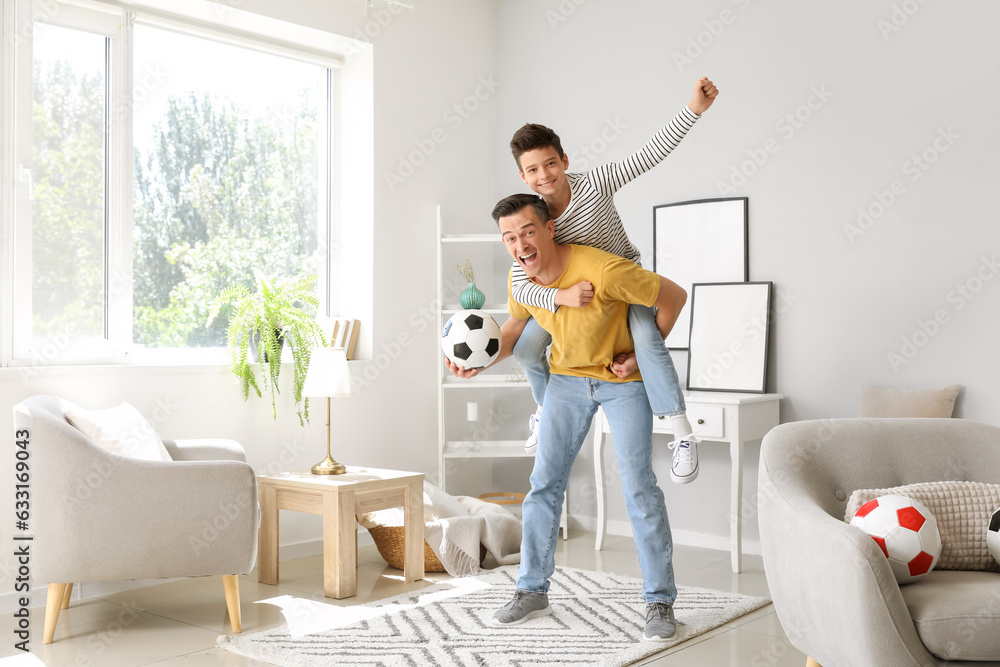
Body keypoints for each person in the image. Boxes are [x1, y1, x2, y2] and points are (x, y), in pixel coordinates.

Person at [445, 193, 687, 642]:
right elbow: (515, 330)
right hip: (566, 383)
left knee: (638, 487)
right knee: (543, 486)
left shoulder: (603, 269)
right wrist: (479, 363)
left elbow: (674, 296)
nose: (519, 244)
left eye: (527, 231)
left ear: (550, 228)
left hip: (622, 384)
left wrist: (637, 357)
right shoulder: (523, 280)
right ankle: (531, 590)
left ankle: (659, 601)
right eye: (509, 237)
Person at [507, 77, 719, 485]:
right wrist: (561, 296)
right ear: (523, 176)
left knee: (646, 338)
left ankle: (681, 431)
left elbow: (649, 154)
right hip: (575, 299)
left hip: (622, 287)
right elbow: (522, 276)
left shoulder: (595, 183)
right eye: (532, 169)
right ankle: (544, 407)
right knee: (528, 348)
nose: (544, 175)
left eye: (550, 164)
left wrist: (693, 109)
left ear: (564, 160)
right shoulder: (533, 217)